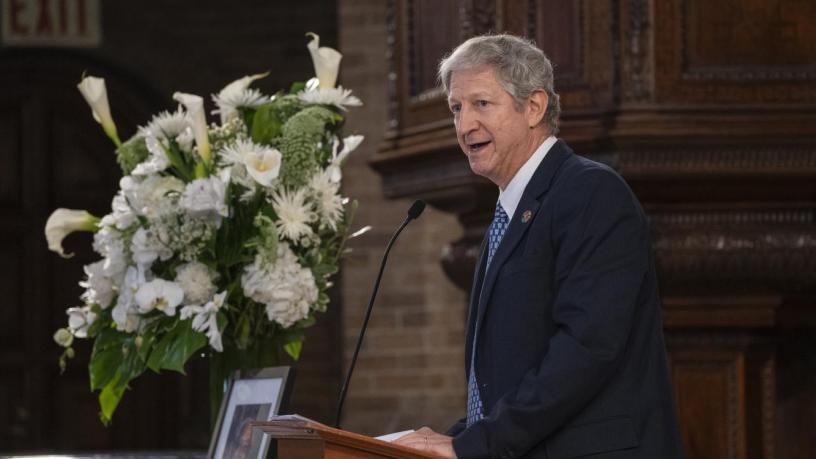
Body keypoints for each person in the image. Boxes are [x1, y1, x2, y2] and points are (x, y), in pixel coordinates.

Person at [394, 34, 684, 458]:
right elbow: (515, 373)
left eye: (481, 104)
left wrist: (476, 445)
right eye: (457, 108)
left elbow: (584, 351)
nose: (464, 124)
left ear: (534, 107)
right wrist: (457, 436)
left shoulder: (590, 193)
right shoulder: (510, 213)